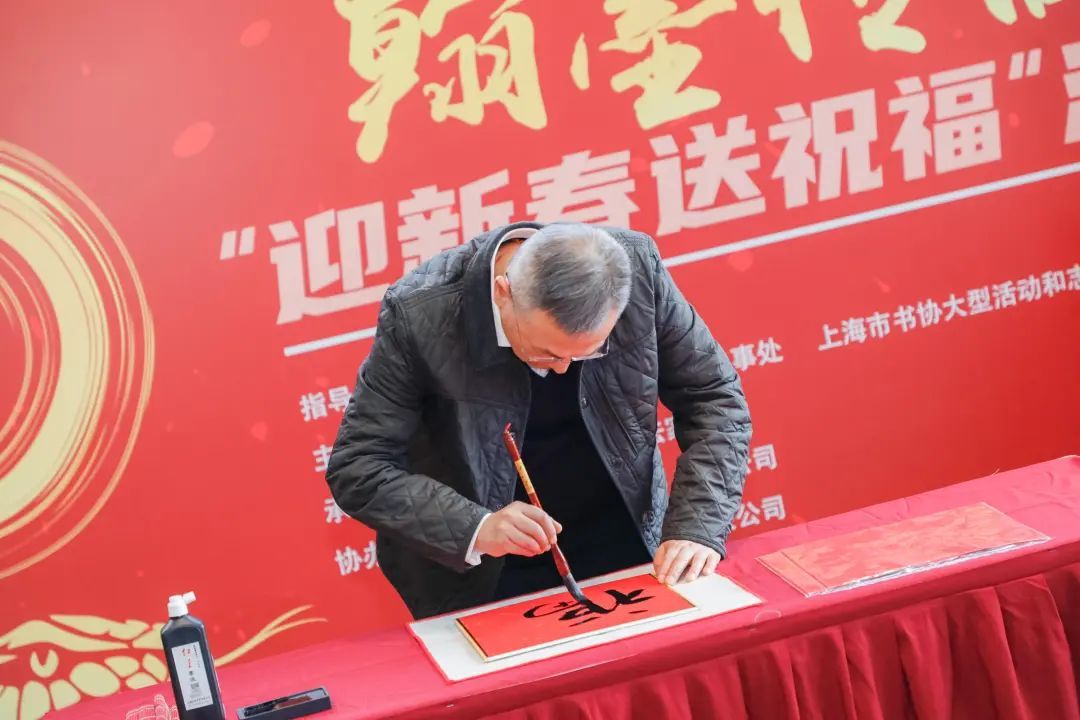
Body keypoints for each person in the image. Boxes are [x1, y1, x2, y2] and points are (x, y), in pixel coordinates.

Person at [326, 221, 751, 619]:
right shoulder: (420, 313)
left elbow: (714, 397)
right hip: (487, 571)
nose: (563, 368)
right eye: (546, 352)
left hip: (627, 534)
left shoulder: (635, 269)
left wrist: (696, 526)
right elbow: (359, 466)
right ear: (503, 293)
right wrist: (477, 526)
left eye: (587, 353)